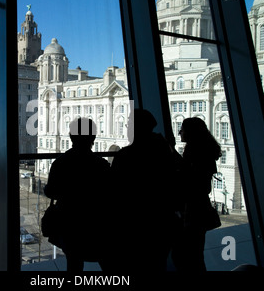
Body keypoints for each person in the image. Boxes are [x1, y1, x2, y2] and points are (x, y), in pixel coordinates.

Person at [103, 109, 178, 271]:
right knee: (158, 263)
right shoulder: (165, 151)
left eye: (129, 123)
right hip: (162, 220)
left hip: (135, 223)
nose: (126, 125)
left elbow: (114, 189)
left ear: (136, 127)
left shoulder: (126, 155)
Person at [44, 118, 110, 272]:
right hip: (96, 223)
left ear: (71, 136)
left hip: (69, 223)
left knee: (73, 264)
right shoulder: (101, 165)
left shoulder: (60, 163)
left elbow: (51, 191)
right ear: (93, 138)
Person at [171, 117, 222, 272]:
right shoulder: (203, 151)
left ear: (191, 132)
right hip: (198, 208)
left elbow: (189, 177)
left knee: (185, 255)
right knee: (194, 255)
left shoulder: (194, 152)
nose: (180, 132)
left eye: (182, 129)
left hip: (192, 209)